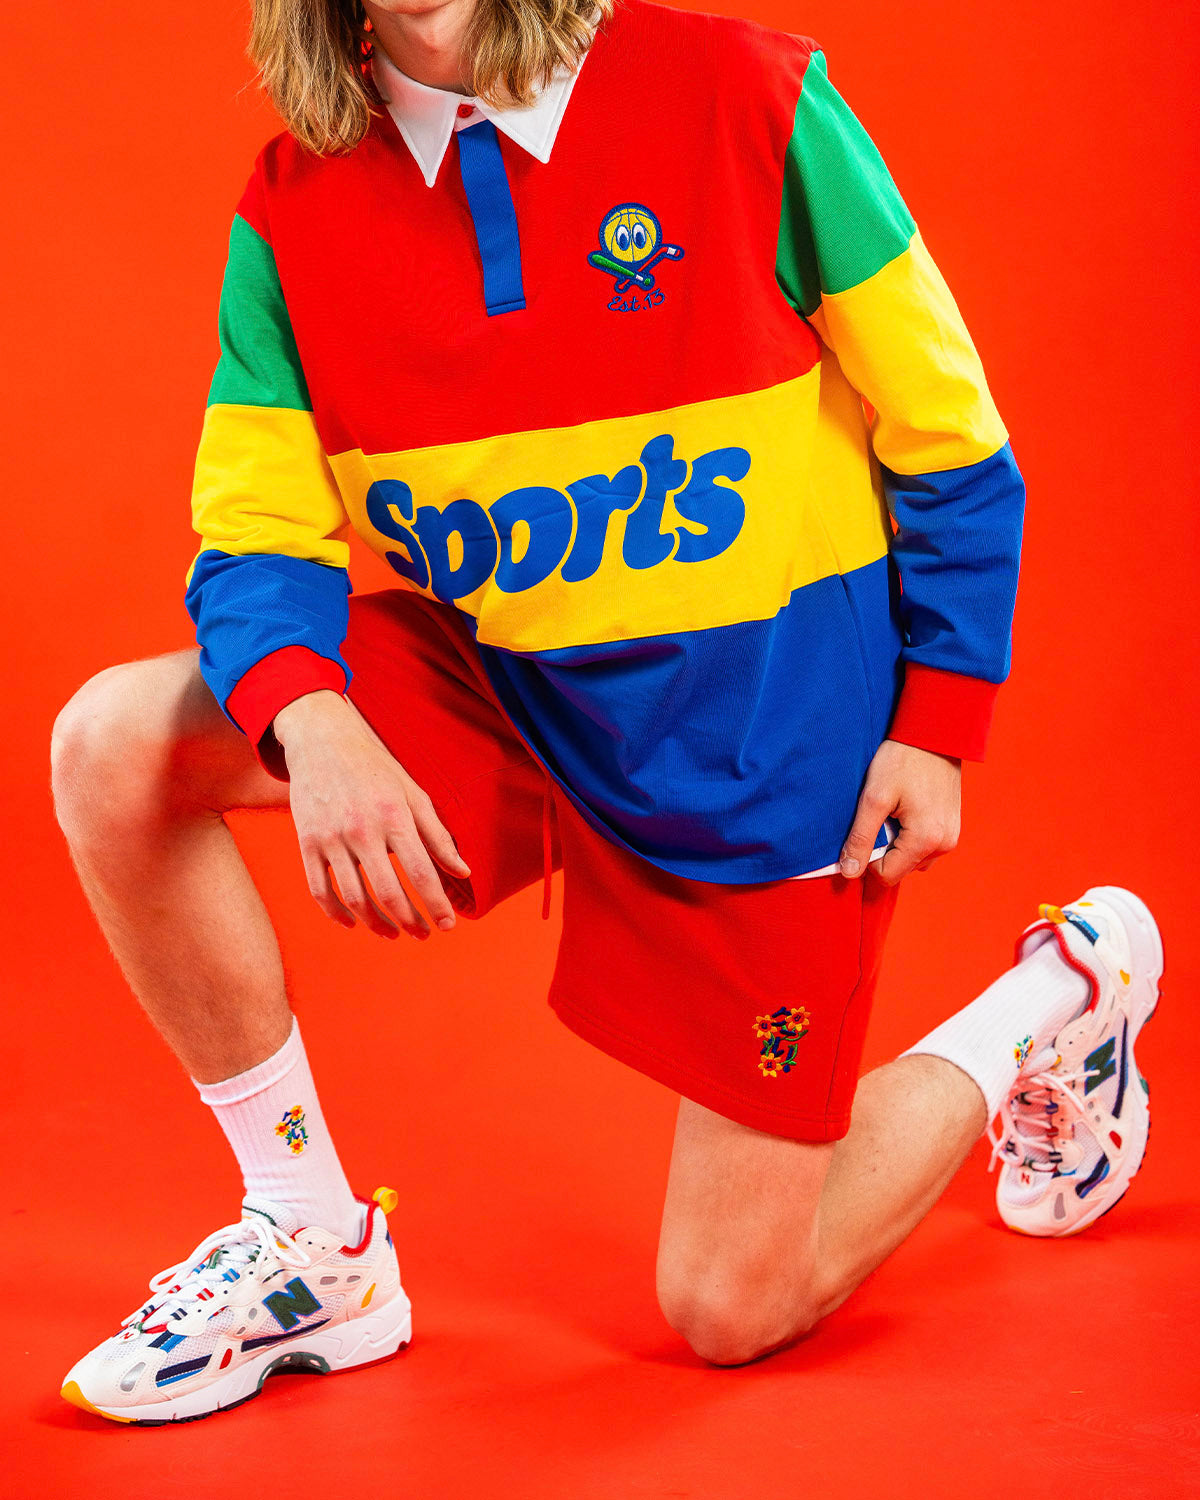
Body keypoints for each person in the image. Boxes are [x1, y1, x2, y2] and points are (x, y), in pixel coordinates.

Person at [51, 0, 1162, 1425]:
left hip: (766, 743)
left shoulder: (743, 90)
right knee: (115, 744)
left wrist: (938, 721)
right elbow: (254, 535)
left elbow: (950, 435)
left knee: (732, 1305)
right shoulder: (293, 205)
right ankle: (311, 1243)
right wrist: (311, 721)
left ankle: (1064, 993)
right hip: (513, 695)